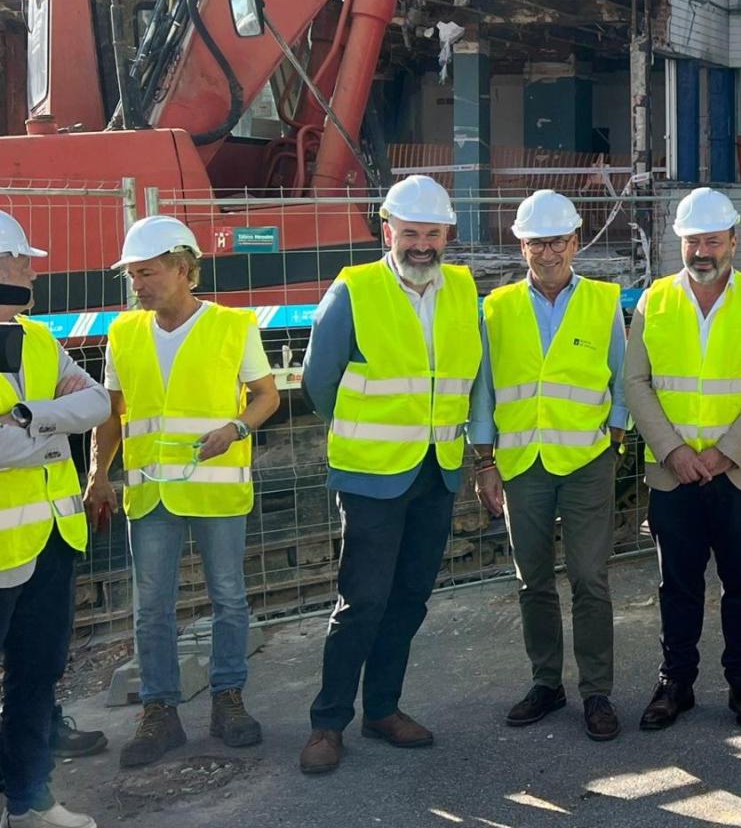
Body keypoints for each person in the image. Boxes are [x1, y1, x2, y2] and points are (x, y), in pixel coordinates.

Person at [297, 176, 485, 775]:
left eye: (433, 234)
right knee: (362, 601)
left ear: (447, 235)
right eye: (411, 233)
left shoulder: (461, 287)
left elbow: (468, 374)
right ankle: (328, 723)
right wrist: (363, 429)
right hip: (372, 474)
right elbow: (316, 382)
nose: (423, 245)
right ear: (388, 232)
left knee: (408, 599)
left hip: (436, 470)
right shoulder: (354, 288)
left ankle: (382, 709)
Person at [86, 216, 278, 770]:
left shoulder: (233, 326)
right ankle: (159, 712)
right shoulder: (123, 333)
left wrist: (236, 429)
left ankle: (228, 701)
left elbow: (266, 397)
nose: (137, 285)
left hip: (215, 491)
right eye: (132, 275)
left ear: (183, 269)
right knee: (152, 609)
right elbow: (113, 413)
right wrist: (98, 474)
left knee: (228, 599)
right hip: (149, 495)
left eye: (146, 273)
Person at [625, 187, 741, 732]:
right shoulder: (655, 300)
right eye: (693, 241)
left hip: (738, 473)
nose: (702, 251)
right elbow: (636, 382)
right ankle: (676, 683)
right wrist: (672, 451)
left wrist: (724, 453)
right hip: (674, 474)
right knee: (677, 584)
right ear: (680, 244)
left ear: (734, 242)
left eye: (712, 241)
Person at [468, 190, 627, 740]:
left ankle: (597, 691)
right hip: (521, 462)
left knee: (589, 578)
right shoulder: (497, 307)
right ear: (522, 246)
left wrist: (614, 437)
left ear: (576, 242)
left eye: (557, 241)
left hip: (585, 459)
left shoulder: (605, 302)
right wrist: (484, 460)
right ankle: (546, 682)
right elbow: (484, 388)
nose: (548, 252)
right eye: (537, 242)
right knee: (532, 578)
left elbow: (620, 377)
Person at [0, 210, 109, 828]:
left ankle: (30, 802)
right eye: (20, 259)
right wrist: (48, 428)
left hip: (51, 541)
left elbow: (93, 403)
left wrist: (25, 420)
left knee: (36, 678)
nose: (32, 269)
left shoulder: (37, 338)